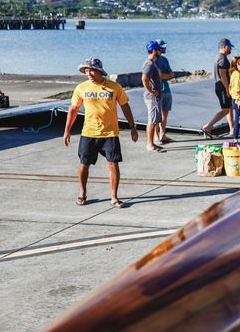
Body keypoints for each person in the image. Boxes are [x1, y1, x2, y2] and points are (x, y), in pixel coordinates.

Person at [63, 58, 139, 208]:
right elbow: (73, 109)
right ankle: (82, 193)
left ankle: (114, 197)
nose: (88, 73)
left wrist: (132, 127)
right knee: (84, 164)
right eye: (86, 71)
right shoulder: (81, 88)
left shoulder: (114, 87)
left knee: (113, 164)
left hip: (110, 133)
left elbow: (125, 106)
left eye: (91, 70)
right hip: (89, 132)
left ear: (99, 71)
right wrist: (67, 130)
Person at [203, 38, 235, 138]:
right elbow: (222, 75)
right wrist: (227, 88)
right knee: (225, 110)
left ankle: (232, 129)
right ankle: (208, 126)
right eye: (229, 47)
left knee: (230, 108)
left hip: (222, 86)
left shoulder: (220, 57)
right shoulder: (221, 58)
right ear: (224, 47)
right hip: (221, 86)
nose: (231, 49)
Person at [142, 40, 165, 153]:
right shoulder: (149, 64)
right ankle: (150, 144)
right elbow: (144, 78)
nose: (161, 51)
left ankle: (151, 143)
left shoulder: (152, 63)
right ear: (154, 51)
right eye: (159, 49)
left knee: (154, 120)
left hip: (154, 97)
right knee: (152, 120)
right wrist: (151, 91)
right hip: (152, 97)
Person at [153, 39, 175, 145]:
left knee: (165, 113)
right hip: (158, 90)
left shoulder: (165, 60)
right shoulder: (154, 60)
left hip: (166, 89)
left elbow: (171, 74)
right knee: (157, 114)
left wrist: (166, 75)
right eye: (163, 47)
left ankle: (163, 134)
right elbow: (160, 75)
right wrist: (166, 75)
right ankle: (156, 136)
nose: (165, 48)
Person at [228, 55, 240, 147]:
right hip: (237, 99)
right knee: (239, 121)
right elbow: (237, 89)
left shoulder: (233, 74)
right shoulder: (237, 75)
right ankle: (238, 140)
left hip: (235, 98)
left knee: (239, 120)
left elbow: (230, 87)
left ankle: (239, 139)